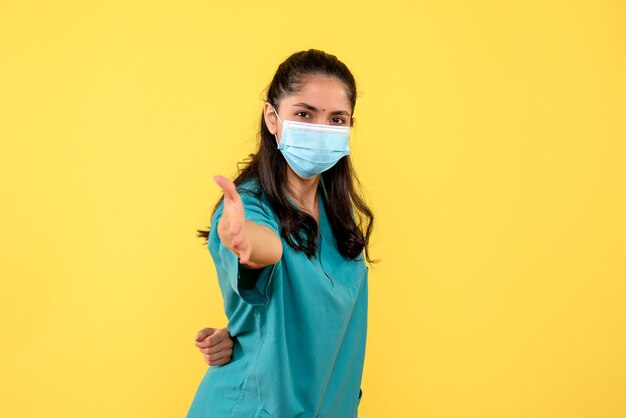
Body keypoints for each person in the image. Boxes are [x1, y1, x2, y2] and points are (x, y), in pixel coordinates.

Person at [189, 49, 375, 418]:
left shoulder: (341, 213)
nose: (321, 130)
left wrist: (239, 335)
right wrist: (242, 238)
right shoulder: (249, 208)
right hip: (251, 408)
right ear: (273, 118)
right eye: (304, 114)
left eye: (336, 119)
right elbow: (267, 248)